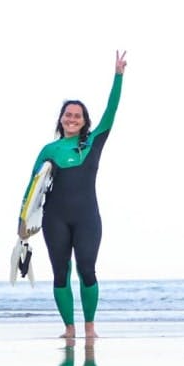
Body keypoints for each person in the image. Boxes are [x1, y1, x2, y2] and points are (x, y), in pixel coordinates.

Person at [18, 51, 127, 340]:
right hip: (55, 218)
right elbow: (32, 188)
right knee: (60, 272)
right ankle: (69, 329)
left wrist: (118, 76)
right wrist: (22, 225)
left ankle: (90, 327)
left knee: (87, 269)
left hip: (87, 217)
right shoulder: (49, 150)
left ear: (84, 121)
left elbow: (111, 111)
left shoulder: (93, 142)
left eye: (77, 116)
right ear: (61, 119)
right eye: (68, 115)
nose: (72, 119)